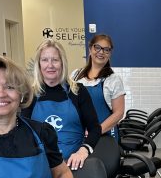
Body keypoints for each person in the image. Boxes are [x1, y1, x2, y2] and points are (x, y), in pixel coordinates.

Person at [23, 39, 102, 170]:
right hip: (41, 166)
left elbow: (95, 128)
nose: (50, 65)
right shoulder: (30, 95)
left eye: (55, 60)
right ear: (38, 64)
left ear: (62, 63)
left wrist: (83, 151)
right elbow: (23, 133)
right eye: (45, 60)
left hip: (74, 164)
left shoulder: (78, 91)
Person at [73, 34, 125, 141]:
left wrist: (95, 132)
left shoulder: (113, 80)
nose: (101, 52)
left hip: (104, 137)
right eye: (97, 47)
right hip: (77, 135)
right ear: (90, 49)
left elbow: (119, 113)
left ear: (110, 54)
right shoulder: (75, 75)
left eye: (106, 50)